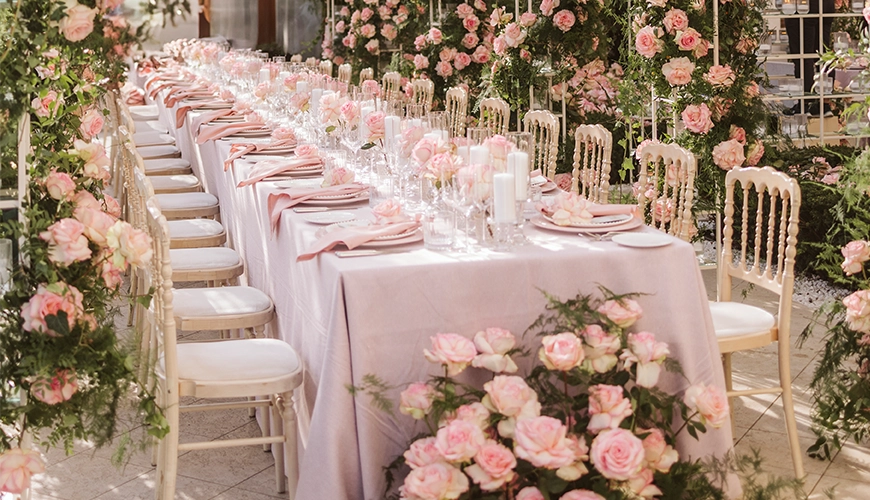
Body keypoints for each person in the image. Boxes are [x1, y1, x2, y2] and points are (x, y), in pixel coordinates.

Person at [784, 0, 835, 115]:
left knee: (803, 55)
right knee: (823, 54)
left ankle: (805, 104)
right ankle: (825, 103)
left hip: (804, 5)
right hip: (826, 5)